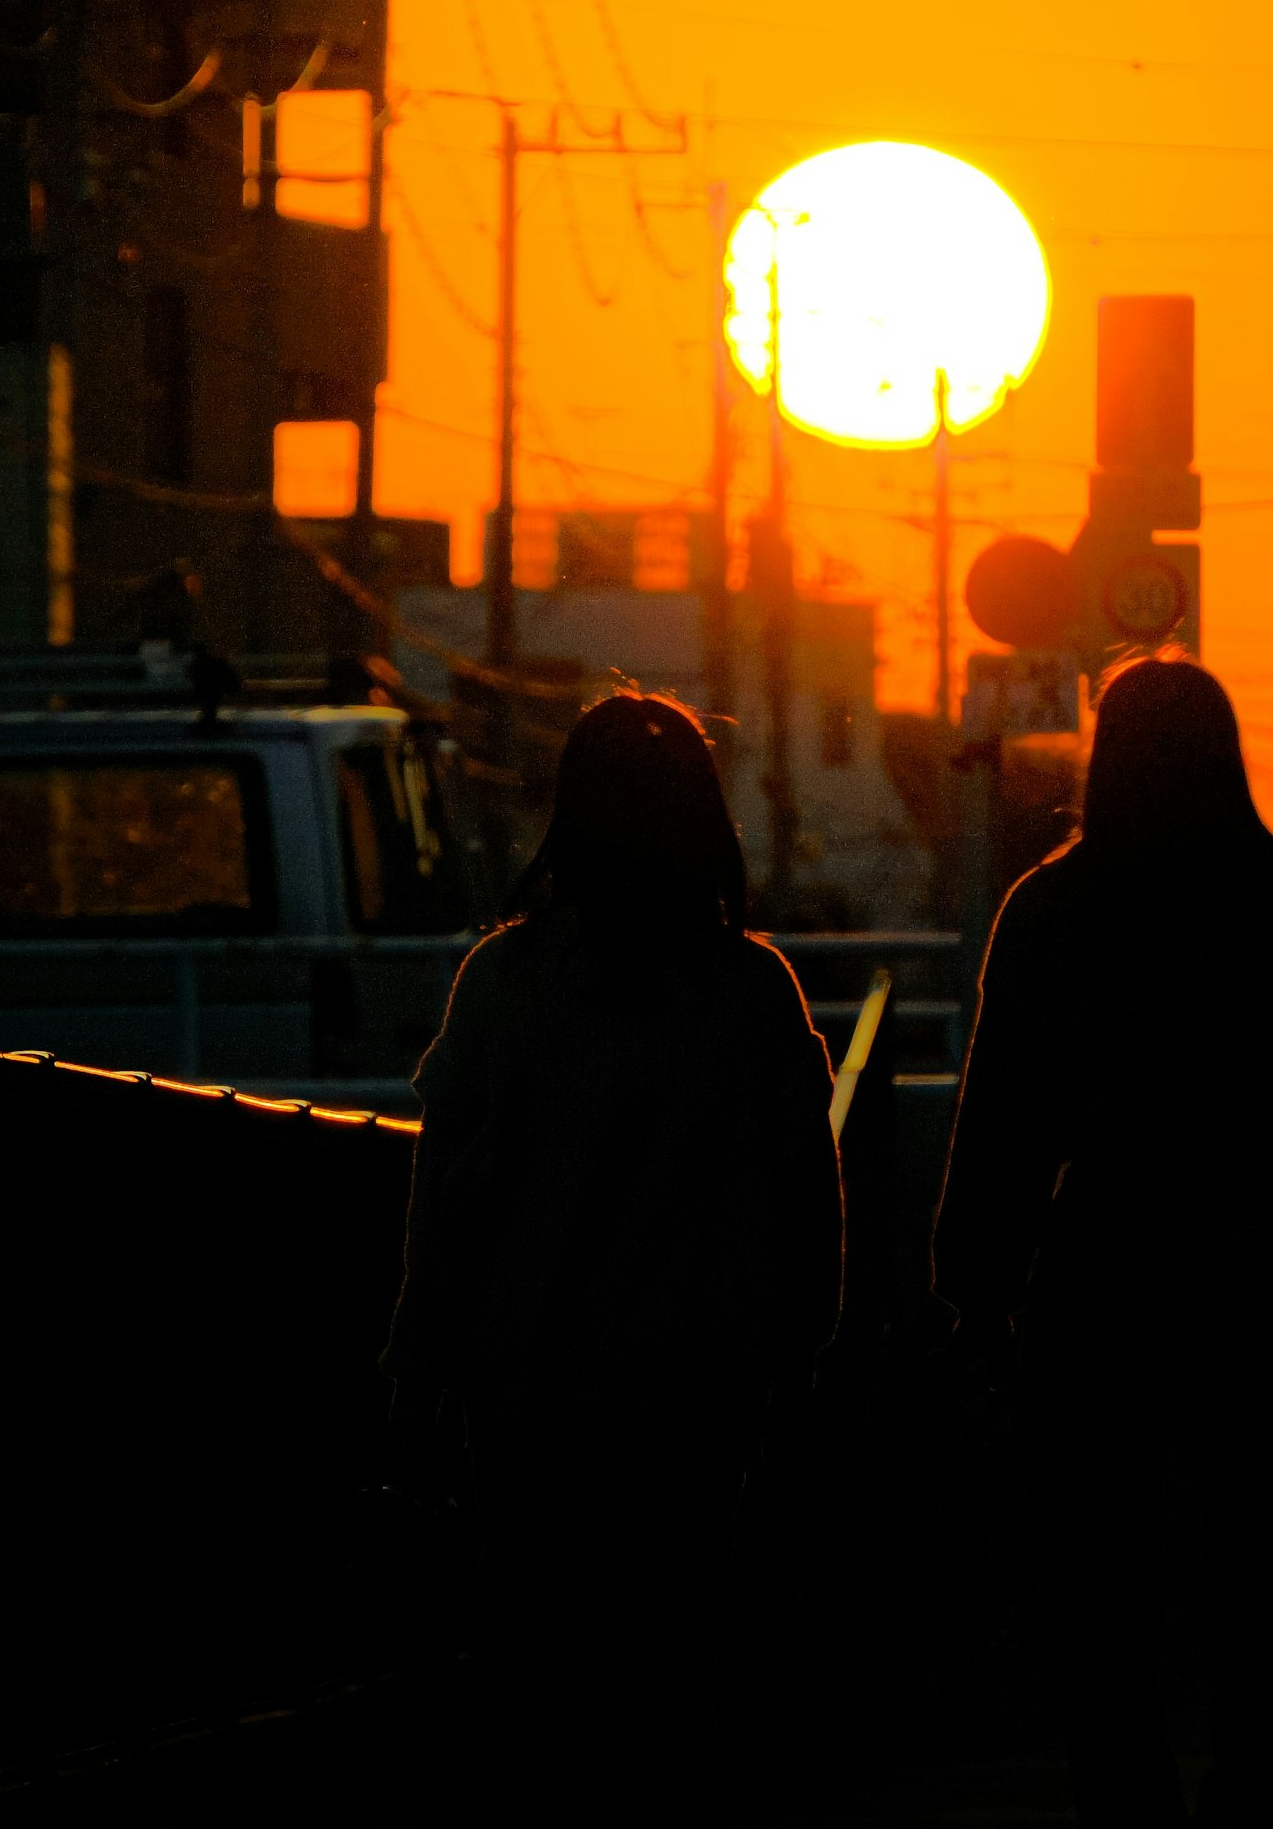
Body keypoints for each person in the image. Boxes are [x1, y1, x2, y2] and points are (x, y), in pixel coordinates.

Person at [937, 656, 1273, 1829]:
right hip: (1258, 1247)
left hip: (1102, 1252)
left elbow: (1000, 1117)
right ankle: (1258, 1778)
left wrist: (974, 1286)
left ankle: (1124, 1785)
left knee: (1094, 1553)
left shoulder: (1052, 909)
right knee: (1267, 1547)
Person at [383, 691, 842, 1817]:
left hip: (529, 1398)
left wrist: (413, 1379)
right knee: (672, 1679)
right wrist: (797, 1364)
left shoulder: (505, 984)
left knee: (537, 1686)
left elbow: (444, 1205)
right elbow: (808, 1198)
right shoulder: (749, 991)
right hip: (698, 1397)